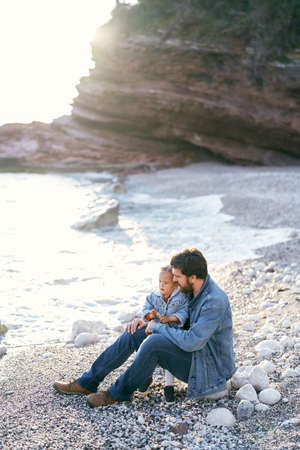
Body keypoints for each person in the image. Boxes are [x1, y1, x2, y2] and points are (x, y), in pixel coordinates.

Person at [54, 248, 235, 408]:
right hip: (197, 358)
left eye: (178, 277)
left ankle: (118, 393)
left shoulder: (213, 301)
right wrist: (147, 320)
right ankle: (88, 382)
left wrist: (157, 327)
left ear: (193, 277)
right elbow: (175, 317)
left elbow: (192, 342)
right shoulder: (193, 291)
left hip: (210, 372)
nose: (175, 281)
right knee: (135, 332)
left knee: (155, 341)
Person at [141, 265, 189, 401]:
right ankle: (146, 376)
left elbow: (184, 313)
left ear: (175, 284)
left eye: (166, 283)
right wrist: (149, 314)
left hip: (172, 332)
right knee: (149, 353)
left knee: (168, 360)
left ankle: (169, 386)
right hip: (155, 329)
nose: (161, 285)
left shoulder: (181, 297)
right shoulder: (154, 296)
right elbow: (146, 307)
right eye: (159, 281)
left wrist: (170, 318)